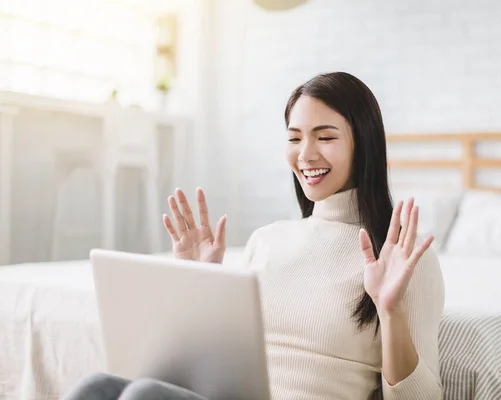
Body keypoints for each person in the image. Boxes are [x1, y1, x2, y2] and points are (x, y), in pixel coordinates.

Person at [63, 72, 445, 400]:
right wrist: (201, 286)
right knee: (97, 386)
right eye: (295, 139)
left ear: (364, 144)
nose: (306, 154)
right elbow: (214, 365)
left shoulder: (402, 259)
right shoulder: (267, 240)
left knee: (145, 395)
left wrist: (391, 310)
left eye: (325, 137)